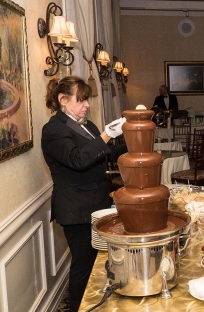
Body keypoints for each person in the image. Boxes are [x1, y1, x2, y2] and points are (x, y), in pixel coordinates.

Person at [41, 76, 127, 311]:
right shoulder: (53, 130)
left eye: (86, 99)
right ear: (63, 100)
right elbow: (78, 160)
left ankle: (97, 303)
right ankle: (78, 307)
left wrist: (131, 136)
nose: (87, 104)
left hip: (97, 201)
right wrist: (107, 134)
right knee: (83, 264)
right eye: (81, 100)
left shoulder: (86, 125)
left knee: (99, 261)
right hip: (76, 208)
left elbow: (104, 153)